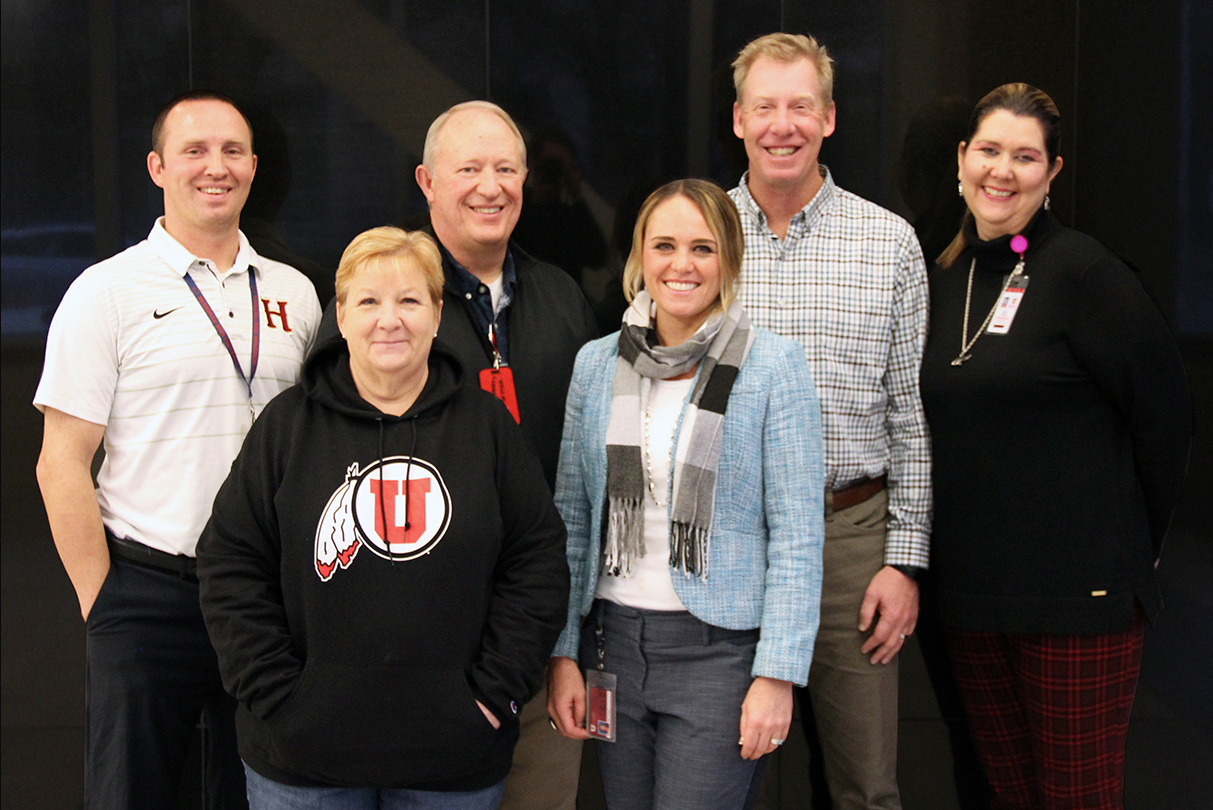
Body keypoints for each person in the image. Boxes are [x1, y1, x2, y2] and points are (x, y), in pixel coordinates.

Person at [197, 226, 570, 808]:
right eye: (368, 301)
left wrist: (496, 694)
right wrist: (276, 695)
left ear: (438, 312)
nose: (388, 319)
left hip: (452, 764)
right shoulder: (287, 426)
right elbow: (230, 564)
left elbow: (537, 563)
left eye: (410, 300)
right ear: (340, 315)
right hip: (302, 765)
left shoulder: (488, 428)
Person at [33, 90, 321, 809]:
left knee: (255, 795)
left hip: (265, 598)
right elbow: (61, 460)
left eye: (231, 151)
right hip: (145, 592)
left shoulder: (298, 294)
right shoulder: (105, 292)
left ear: (254, 167)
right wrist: (102, 604)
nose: (214, 167)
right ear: (159, 167)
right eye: (194, 151)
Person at [920, 83, 1193, 810]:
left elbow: (1165, 417)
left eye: (1024, 156)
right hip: (973, 596)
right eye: (988, 150)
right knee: (1008, 795)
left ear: (1051, 172)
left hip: (1077, 598)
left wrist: (1140, 540)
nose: (1001, 171)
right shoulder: (943, 276)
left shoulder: (1084, 273)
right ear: (960, 158)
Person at [547, 178, 825, 810]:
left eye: (702, 248)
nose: (681, 265)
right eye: (664, 244)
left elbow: (799, 536)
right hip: (613, 647)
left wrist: (777, 674)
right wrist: (563, 651)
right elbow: (572, 517)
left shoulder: (774, 367)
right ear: (639, 255)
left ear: (729, 258)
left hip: (718, 657)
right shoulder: (595, 364)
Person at [728, 33, 931, 809]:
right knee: (722, 775)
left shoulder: (887, 244)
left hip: (852, 544)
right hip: (732, 539)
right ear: (738, 119)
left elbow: (908, 417)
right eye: (766, 107)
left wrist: (901, 561)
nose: (784, 125)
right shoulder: (698, 241)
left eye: (800, 107)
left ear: (830, 118)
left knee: (865, 788)